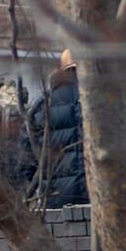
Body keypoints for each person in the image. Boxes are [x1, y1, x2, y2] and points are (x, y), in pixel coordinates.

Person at [19, 48, 88, 208]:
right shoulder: (107, 100)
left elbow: (25, 162)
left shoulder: (42, 104)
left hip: (55, 199)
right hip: (102, 197)